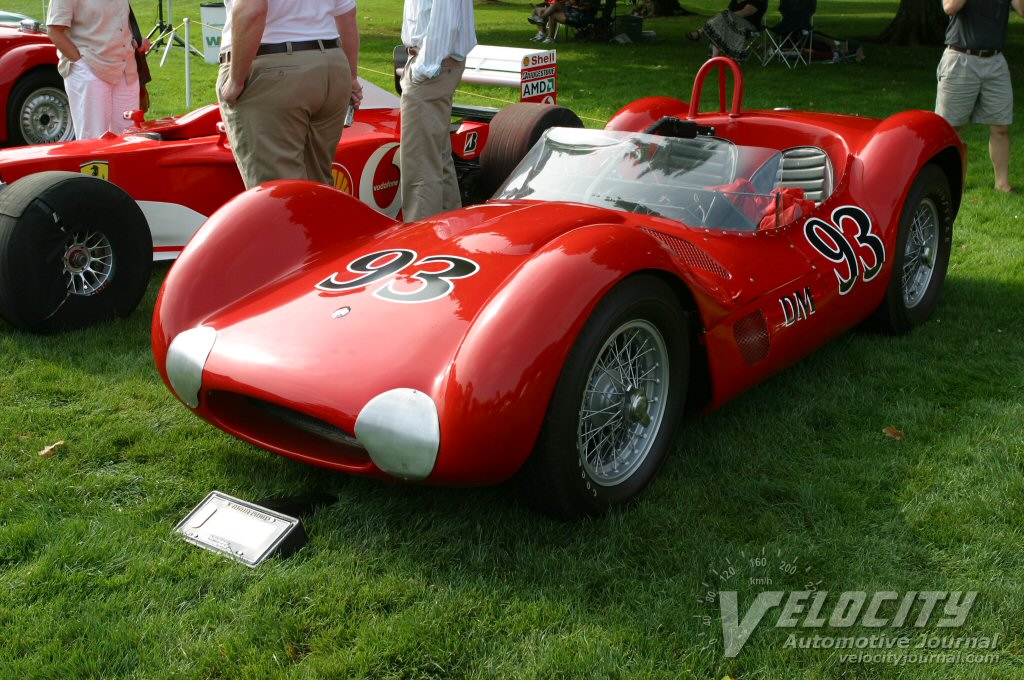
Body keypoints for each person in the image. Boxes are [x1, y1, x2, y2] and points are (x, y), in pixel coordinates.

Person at [217, 0, 361, 190]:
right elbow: (347, 16)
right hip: (331, 64)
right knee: (317, 186)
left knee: (278, 195)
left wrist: (235, 81)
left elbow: (252, 10)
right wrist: (350, 78)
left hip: (272, 68)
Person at [400, 0, 477, 221]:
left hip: (432, 67)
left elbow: (445, 24)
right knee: (437, 157)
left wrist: (422, 69)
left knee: (421, 165)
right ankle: (447, 233)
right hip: (435, 66)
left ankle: (421, 243)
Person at [935, 0, 1023, 193]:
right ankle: (953, 184)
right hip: (960, 58)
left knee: (1001, 127)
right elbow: (949, 7)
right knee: (951, 129)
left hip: (995, 61)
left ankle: (1002, 185)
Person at [46, 0, 147, 139]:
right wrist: (81, 64)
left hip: (126, 70)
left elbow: (118, 20)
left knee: (130, 138)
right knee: (93, 141)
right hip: (90, 70)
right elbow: (54, 31)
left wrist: (136, 39)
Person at [686, 0, 767, 63]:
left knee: (721, 20)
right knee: (720, 26)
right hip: (733, 23)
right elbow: (729, 10)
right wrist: (728, 16)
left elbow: (746, 12)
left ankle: (701, 33)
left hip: (749, 26)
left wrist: (729, 16)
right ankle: (714, 57)